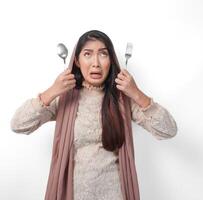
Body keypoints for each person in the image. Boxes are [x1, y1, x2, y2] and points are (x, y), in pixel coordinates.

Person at [10, 30, 177, 200]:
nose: (95, 63)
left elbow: (168, 130)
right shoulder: (65, 98)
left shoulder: (122, 100)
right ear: (76, 60)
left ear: (111, 60)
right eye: (87, 54)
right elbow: (19, 125)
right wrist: (52, 91)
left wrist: (136, 93)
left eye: (103, 54)